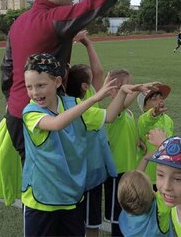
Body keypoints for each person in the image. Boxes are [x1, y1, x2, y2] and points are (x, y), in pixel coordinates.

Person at [1, 0, 157, 162]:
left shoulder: (19, 22)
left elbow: (7, 70)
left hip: (17, 114)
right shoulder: (53, 18)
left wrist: (11, 102)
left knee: (35, 180)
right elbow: (96, 3)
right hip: (42, 115)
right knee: (49, 188)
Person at [21, 53, 155, 236]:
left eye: (41, 85)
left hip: (70, 198)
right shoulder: (31, 112)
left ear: (58, 82)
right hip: (41, 201)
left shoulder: (72, 104)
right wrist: (94, 99)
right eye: (29, 87)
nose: (35, 92)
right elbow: (57, 123)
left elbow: (108, 116)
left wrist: (123, 91)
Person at [66, 31, 116, 237]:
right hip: (87, 173)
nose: (96, 76)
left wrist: (86, 42)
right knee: (88, 224)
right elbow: (111, 116)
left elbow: (97, 71)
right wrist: (122, 93)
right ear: (85, 87)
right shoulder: (85, 109)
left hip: (87, 172)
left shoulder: (77, 99)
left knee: (84, 221)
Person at [103, 68, 146, 236]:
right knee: (117, 216)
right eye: (127, 87)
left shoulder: (127, 113)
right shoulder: (115, 111)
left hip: (128, 169)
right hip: (116, 172)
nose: (131, 89)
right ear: (115, 90)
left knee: (127, 211)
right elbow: (123, 104)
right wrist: (138, 89)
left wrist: (137, 141)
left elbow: (125, 133)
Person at [137, 84, 174, 185]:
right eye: (154, 99)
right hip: (148, 176)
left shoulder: (168, 120)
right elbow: (148, 119)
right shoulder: (143, 120)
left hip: (165, 174)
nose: (160, 100)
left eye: (161, 97)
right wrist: (154, 113)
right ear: (144, 106)